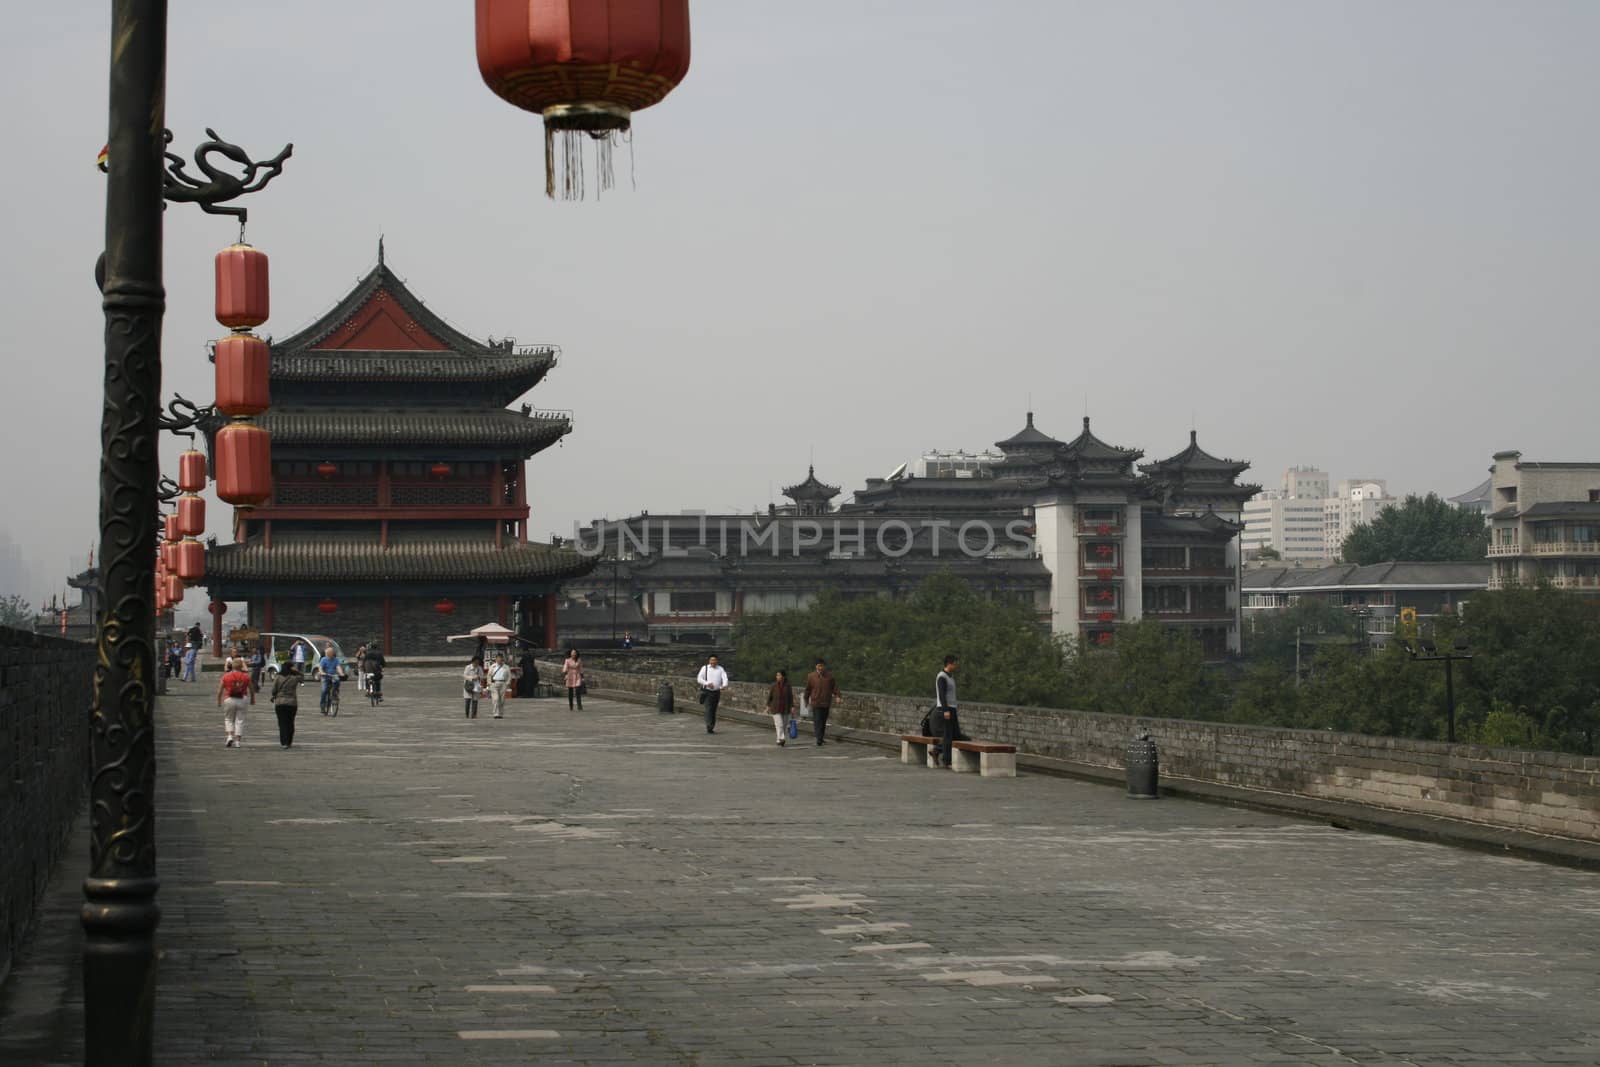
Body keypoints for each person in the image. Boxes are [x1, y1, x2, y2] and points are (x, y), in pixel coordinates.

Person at [217, 657, 255, 747]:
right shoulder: (246, 676)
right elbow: (252, 690)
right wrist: (253, 699)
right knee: (240, 720)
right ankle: (238, 741)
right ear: (241, 666)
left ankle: (229, 736)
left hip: (229, 698)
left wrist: (219, 700)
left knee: (228, 718)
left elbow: (220, 690)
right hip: (242, 698)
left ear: (232, 666)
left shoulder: (226, 676)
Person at [803, 659, 842, 746]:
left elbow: (834, 687)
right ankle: (819, 738)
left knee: (823, 721)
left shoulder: (829, 676)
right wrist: (806, 699)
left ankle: (820, 737)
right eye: (819, 665)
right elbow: (808, 689)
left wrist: (838, 696)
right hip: (816, 702)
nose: (820, 667)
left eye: (822, 665)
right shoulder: (811, 676)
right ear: (816, 666)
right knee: (817, 720)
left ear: (824, 666)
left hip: (826, 702)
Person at [931, 654, 961, 768]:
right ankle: (947, 761)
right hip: (945, 709)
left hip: (952, 708)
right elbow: (942, 695)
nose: (956, 666)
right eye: (955, 664)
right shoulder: (942, 677)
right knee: (948, 735)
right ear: (949, 664)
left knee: (956, 734)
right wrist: (945, 710)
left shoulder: (950, 676)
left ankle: (937, 750)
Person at [270, 662, 302, 747]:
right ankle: (289, 741)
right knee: (290, 722)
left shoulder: (278, 677)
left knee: (282, 723)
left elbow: (273, 690)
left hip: (280, 703)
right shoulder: (294, 678)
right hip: (292, 703)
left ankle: (284, 742)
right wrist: (297, 671)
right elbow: (302, 678)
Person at [696, 654, 730, 734]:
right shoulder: (705, 668)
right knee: (709, 709)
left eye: (714, 660)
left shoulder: (720, 669)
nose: (713, 662)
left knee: (713, 709)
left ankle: (711, 726)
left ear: (717, 661)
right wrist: (707, 683)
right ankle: (709, 726)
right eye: (711, 660)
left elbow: (725, 678)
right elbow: (699, 679)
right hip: (707, 692)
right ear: (709, 661)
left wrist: (724, 685)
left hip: (716, 692)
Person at [767, 668, 795, 746]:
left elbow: (790, 697)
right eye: (777, 675)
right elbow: (770, 696)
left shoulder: (788, 685)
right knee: (779, 724)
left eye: (779, 675)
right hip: (775, 708)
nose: (777, 677)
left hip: (785, 708)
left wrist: (792, 706)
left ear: (783, 676)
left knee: (784, 725)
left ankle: (778, 739)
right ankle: (782, 738)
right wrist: (768, 706)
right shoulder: (774, 685)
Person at [314, 644, 343, 714]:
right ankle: (322, 706)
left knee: (337, 681)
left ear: (332, 654)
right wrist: (322, 672)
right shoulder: (323, 659)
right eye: (327, 654)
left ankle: (335, 693)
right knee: (324, 690)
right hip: (326, 676)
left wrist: (341, 673)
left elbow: (338, 667)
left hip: (333, 675)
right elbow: (320, 668)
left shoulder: (336, 660)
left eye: (330, 654)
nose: (328, 655)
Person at [488, 653, 513, 718]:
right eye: (498, 658)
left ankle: (500, 713)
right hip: (494, 683)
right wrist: (489, 683)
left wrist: (507, 683)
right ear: (496, 659)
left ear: (502, 659)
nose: (499, 659)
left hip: (503, 683)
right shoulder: (492, 666)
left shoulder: (506, 667)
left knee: (502, 700)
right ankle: (495, 713)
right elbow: (489, 675)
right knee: (495, 699)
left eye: (500, 658)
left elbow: (509, 676)